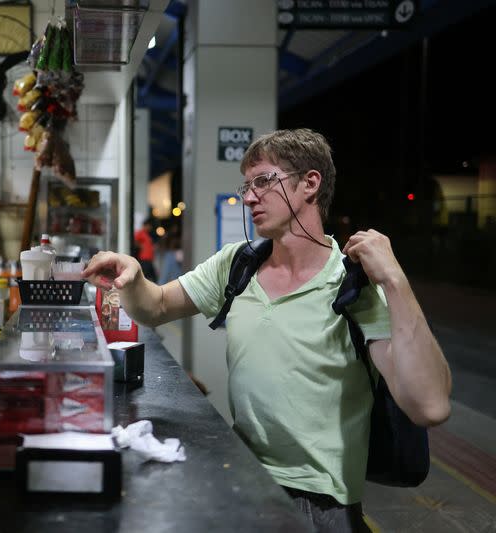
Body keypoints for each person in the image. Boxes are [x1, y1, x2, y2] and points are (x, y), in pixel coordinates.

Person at [83, 128, 451, 533]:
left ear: (310, 183)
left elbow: (429, 406)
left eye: (262, 181)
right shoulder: (237, 265)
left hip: (318, 503)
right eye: (247, 185)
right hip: (243, 475)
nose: (249, 196)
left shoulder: (352, 285)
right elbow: (155, 307)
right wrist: (132, 277)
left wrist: (395, 281)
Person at [133, 218, 157, 283]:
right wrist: (140, 246)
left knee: (152, 277)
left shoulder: (147, 234)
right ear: (146, 225)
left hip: (149, 259)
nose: (150, 228)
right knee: (147, 277)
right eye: (149, 226)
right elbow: (134, 241)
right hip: (144, 259)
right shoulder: (141, 233)